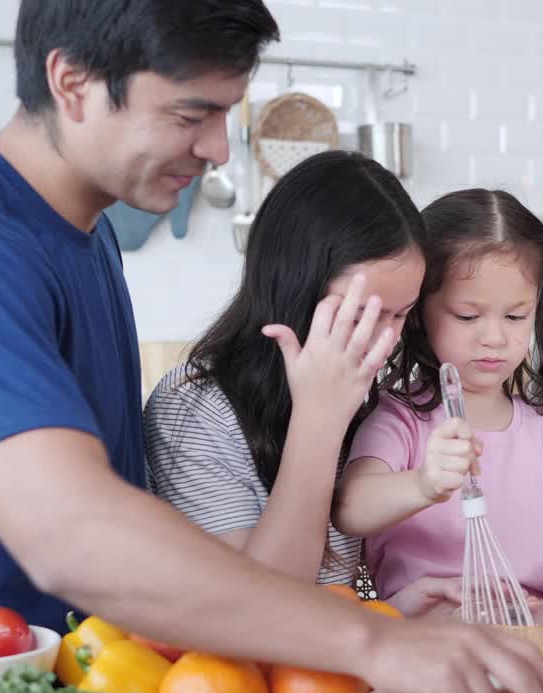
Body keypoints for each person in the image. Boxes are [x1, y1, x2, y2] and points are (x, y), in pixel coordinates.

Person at [0, 3, 543, 693]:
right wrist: (376, 641)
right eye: (189, 114)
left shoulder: (82, 232)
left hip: (82, 687)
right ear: (72, 83)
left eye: (224, 115)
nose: (217, 149)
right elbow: (71, 535)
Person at [144, 150, 454, 607]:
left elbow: (339, 589)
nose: (384, 341)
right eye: (359, 315)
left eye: (400, 315)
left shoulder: (372, 395)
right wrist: (319, 418)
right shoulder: (191, 410)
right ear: (293, 289)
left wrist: (394, 611)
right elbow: (260, 612)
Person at [335, 189, 543, 617]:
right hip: (420, 641)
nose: (494, 337)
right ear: (419, 311)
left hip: (523, 636)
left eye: (516, 317)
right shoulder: (400, 419)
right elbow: (349, 508)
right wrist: (424, 484)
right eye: (468, 316)